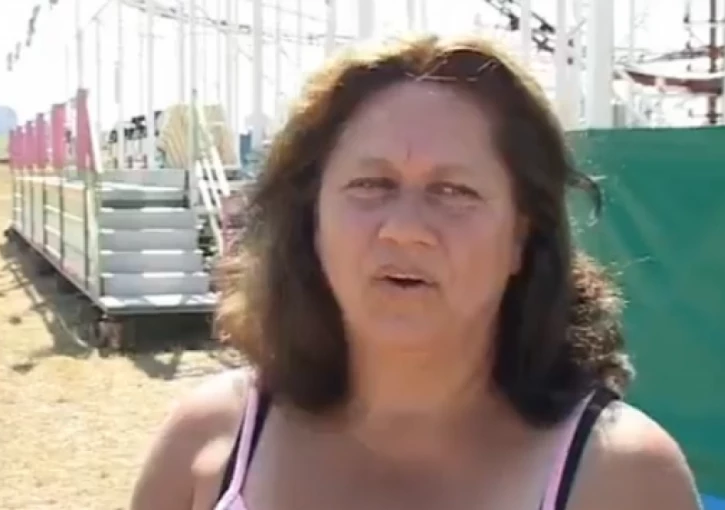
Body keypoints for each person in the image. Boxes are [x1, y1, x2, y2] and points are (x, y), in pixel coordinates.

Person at [130, 35, 701, 510]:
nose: (404, 228)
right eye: (370, 184)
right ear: (312, 221)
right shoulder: (210, 439)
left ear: (521, 238)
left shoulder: (622, 477)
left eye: (454, 191)